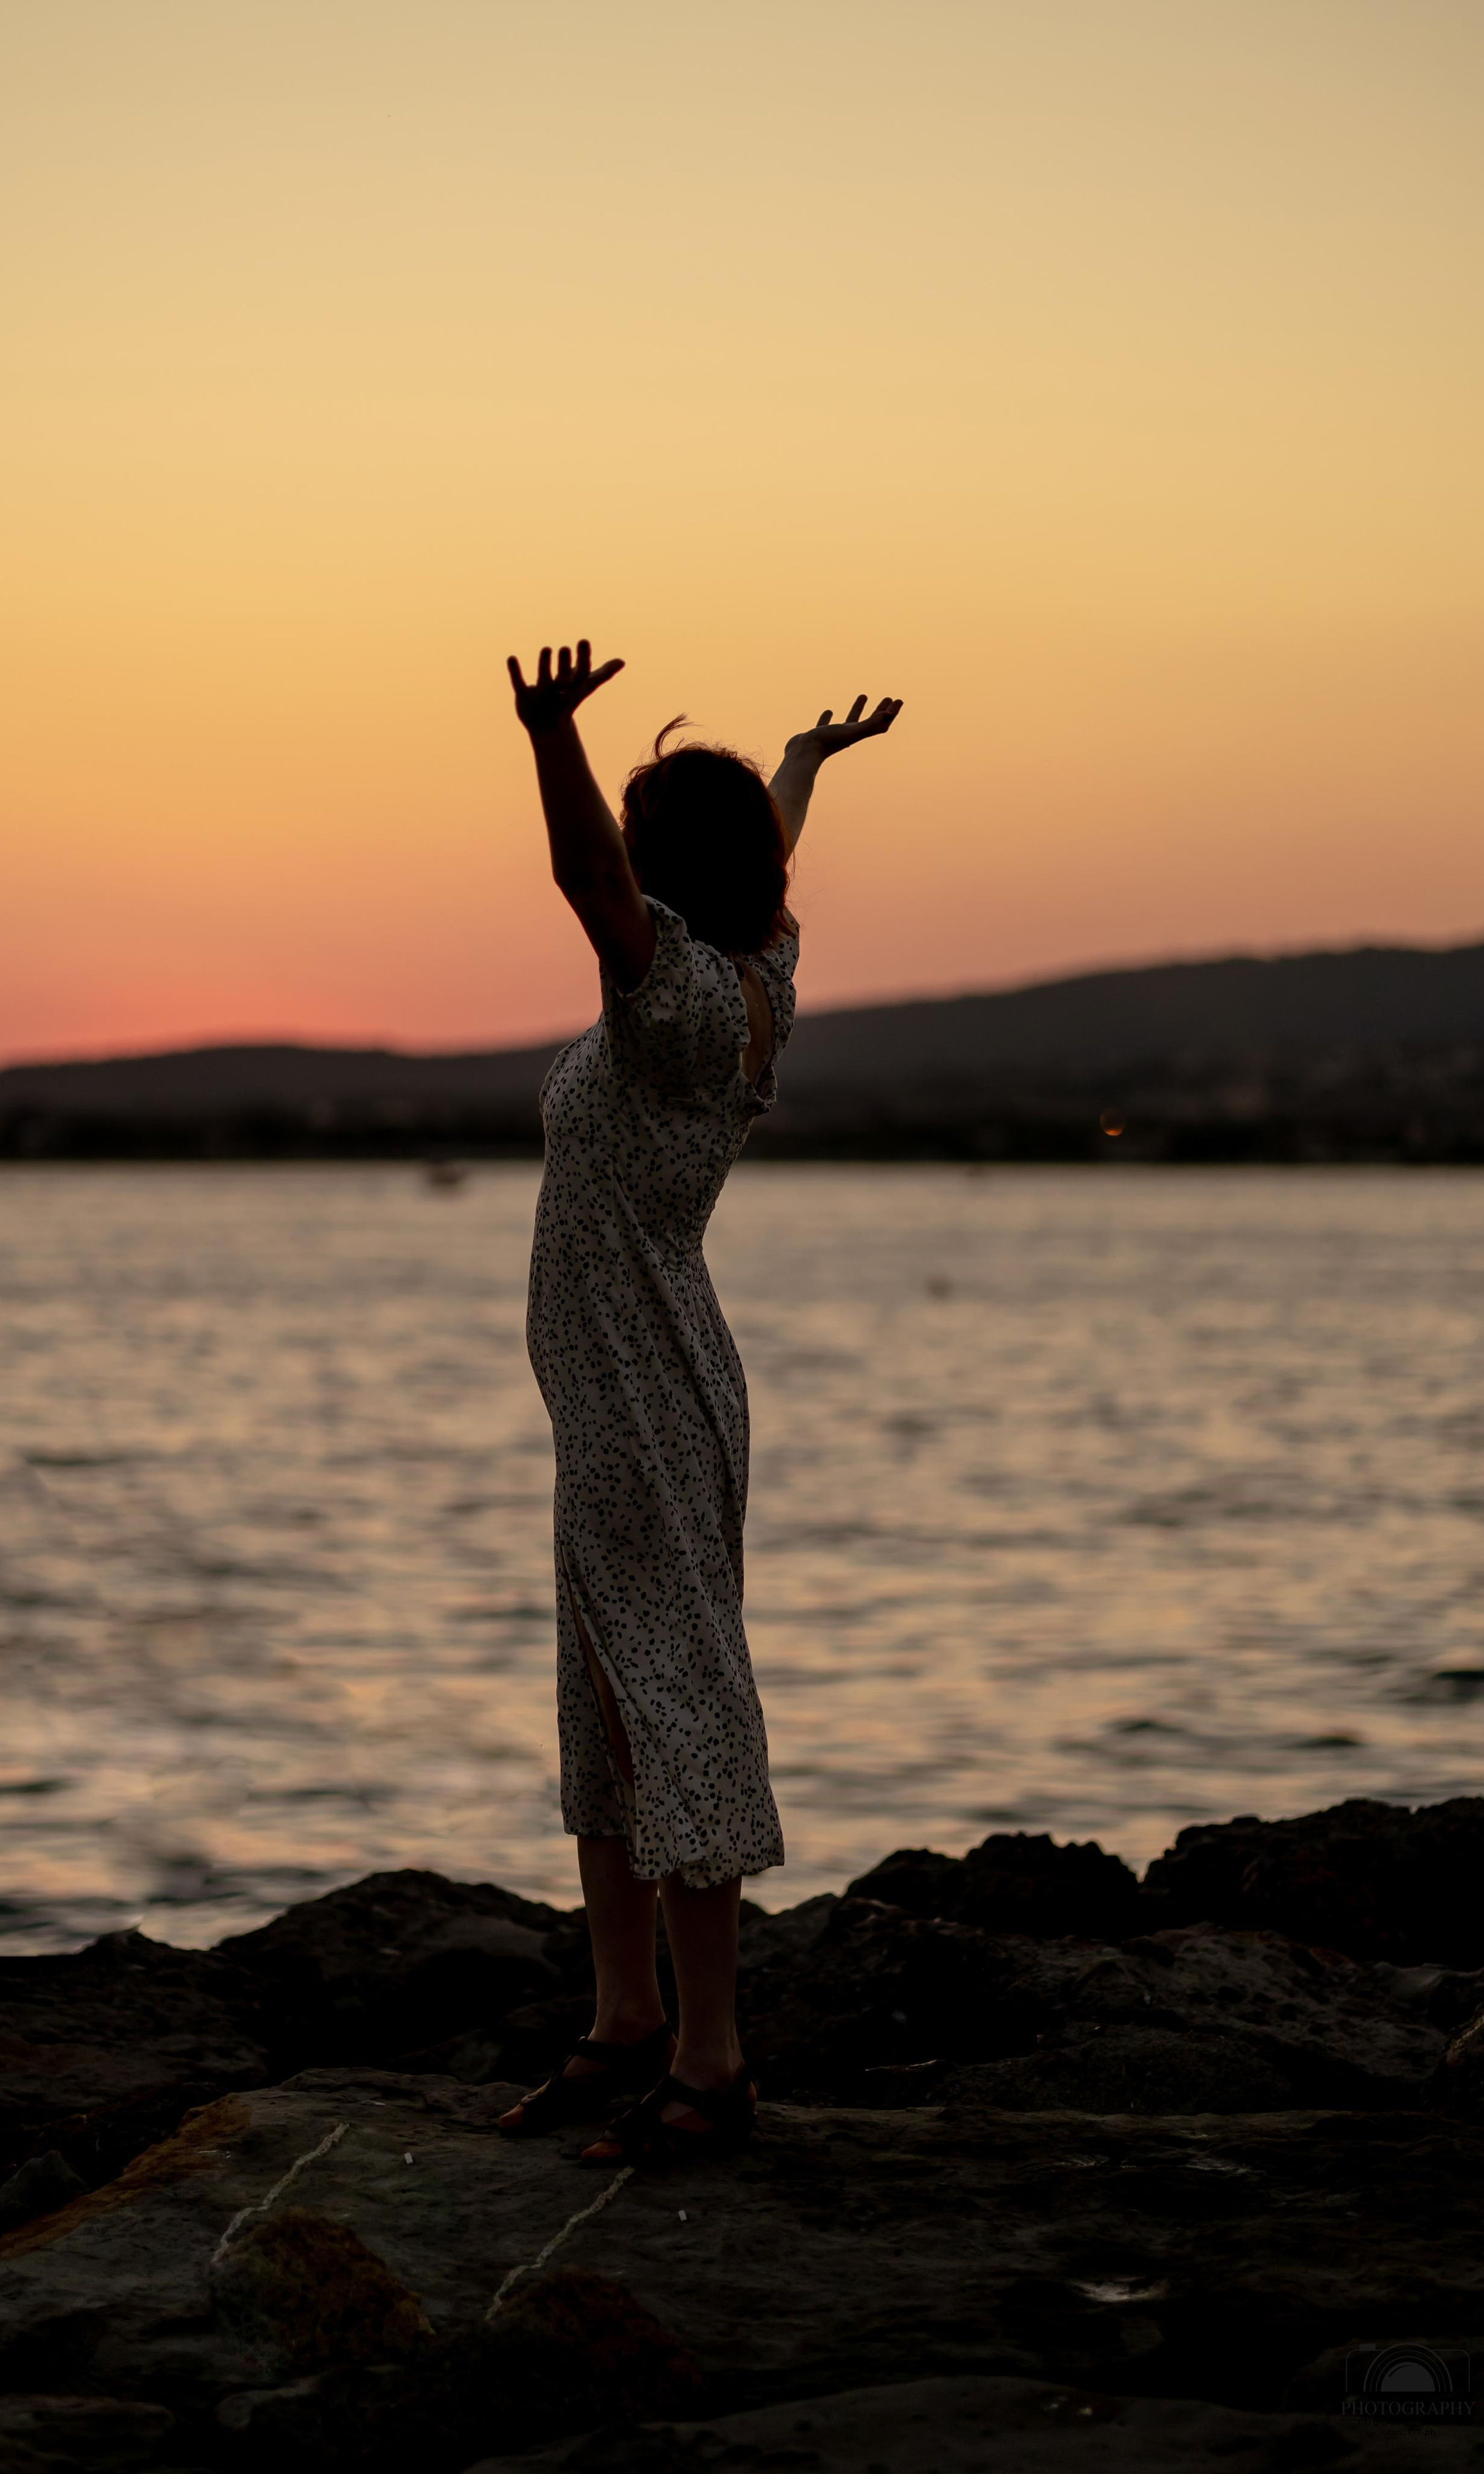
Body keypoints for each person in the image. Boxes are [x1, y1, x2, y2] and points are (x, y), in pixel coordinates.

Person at [498, 640, 900, 2165]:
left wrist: (547, 742)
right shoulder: (758, 978)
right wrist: (799, 759)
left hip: (640, 1392)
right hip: (638, 1390)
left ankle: (714, 2060)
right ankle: (622, 2023)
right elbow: (758, 852)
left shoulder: (664, 999)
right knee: (607, 1708)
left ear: (663, 875)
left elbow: (580, 880)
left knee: (675, 1706)